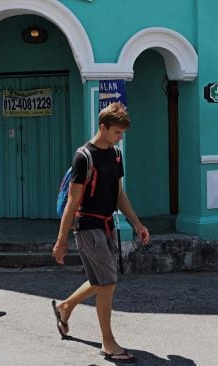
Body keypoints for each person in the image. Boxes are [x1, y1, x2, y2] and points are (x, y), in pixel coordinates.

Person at [52, 102, 150, 363]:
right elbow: (73, 201)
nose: (120, 137)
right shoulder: (83, 157)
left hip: (107, 225)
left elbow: (119, 194)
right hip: (88, 226)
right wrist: (61, 241)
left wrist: (137, 224)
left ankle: (65, 306)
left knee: (99, 281)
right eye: (117, 132)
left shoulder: (116, 154)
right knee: (108, 282)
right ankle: (108, 343)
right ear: (103, 127)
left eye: (122, 133)